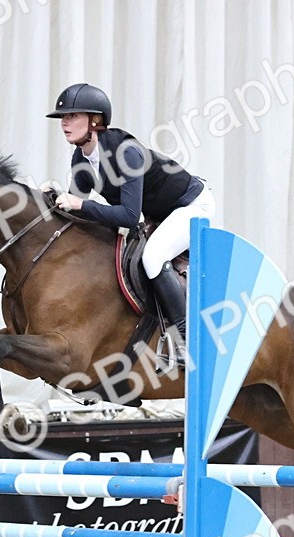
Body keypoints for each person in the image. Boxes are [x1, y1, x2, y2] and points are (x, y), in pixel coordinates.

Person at [46, 83, 216, 348]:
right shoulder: (81, 160)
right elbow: (78, 215)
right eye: (63, 117)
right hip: (161, 212)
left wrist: (79, 205)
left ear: (95, 120)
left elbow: (128, 216)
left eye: (72, 116)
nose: (64, 123)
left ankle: (186, 337)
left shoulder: (127, 153)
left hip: (192, 204)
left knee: (153, 256)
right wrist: (52, 201)